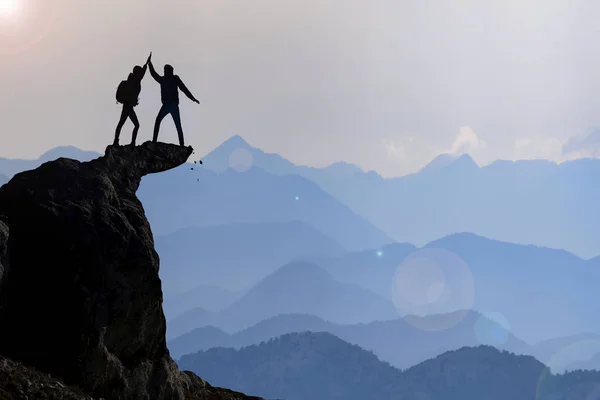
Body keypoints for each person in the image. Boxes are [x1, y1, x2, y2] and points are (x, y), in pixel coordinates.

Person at [147, 53, 200, 146]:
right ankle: (180, 145)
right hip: (169, 105)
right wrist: (149, 64)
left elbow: (184, 89)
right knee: (174, 124)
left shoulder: (171, 79)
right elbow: (154, 74)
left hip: (171, 105)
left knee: (173, 124)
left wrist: (193, 98)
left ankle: (179, 145)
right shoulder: (167, 79)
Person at [114, 53, 152, 146]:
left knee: (122, 124)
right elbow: (142, 73)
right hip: (128, 106)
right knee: (134, 125)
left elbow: (142, 72)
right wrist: (147, 63)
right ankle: (130, 143)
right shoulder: (135, 81)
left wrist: (146, 63)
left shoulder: (131, 81)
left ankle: (117, 141)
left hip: (127, 106)